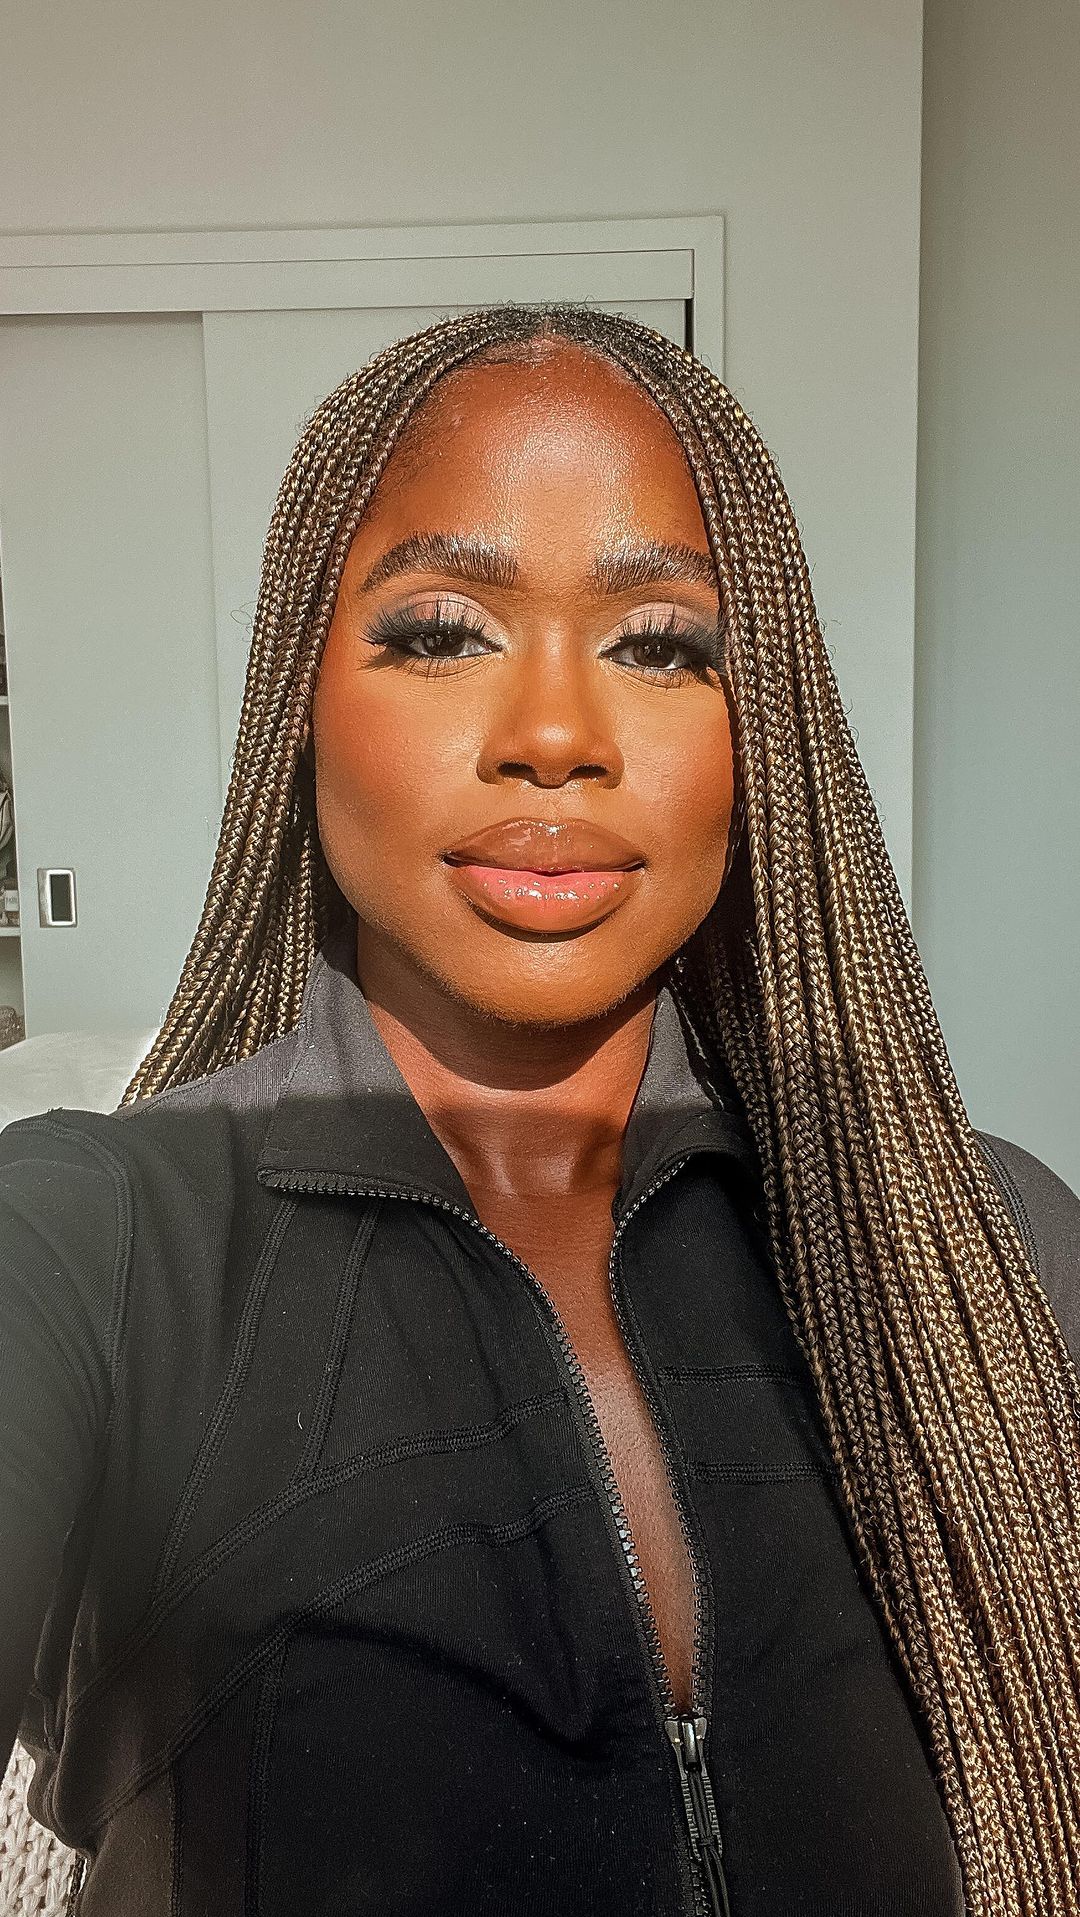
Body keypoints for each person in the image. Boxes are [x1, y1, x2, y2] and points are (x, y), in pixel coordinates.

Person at [1, 302, 1078, 1917]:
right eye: (444, 631)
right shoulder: (93, 1242)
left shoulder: (987, 1253)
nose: (556, 736)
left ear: (761, 736)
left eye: (659, 643)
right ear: (301, 699)